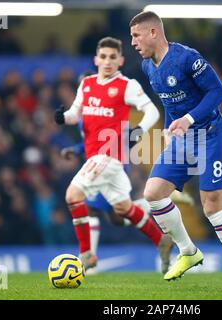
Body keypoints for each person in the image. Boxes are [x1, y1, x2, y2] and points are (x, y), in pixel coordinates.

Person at [129, 11, 222, 287]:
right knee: (153, 194)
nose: (132, 42)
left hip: (212, 136)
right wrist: (169, 128)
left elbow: (218, 93)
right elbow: (169, 102)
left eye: (136, 35)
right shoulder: (148, 67)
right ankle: (188, 251)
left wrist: (188, 119)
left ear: (153, 32)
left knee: (212, 206)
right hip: (182, 140)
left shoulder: (187, 58)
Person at [54, 37, 173, 273]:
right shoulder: (86, 84)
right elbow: (75, 114)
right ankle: (161, 240)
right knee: (123, 210)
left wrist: (138, 131)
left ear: (120, 60)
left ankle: (87, 254)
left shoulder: (127, 86)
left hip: (109, 155)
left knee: (72, 196)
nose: (108, 62)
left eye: (112, 57)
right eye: (104, 57)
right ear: (96, 59)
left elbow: (150, 111)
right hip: (96, 159)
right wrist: (63, 118)